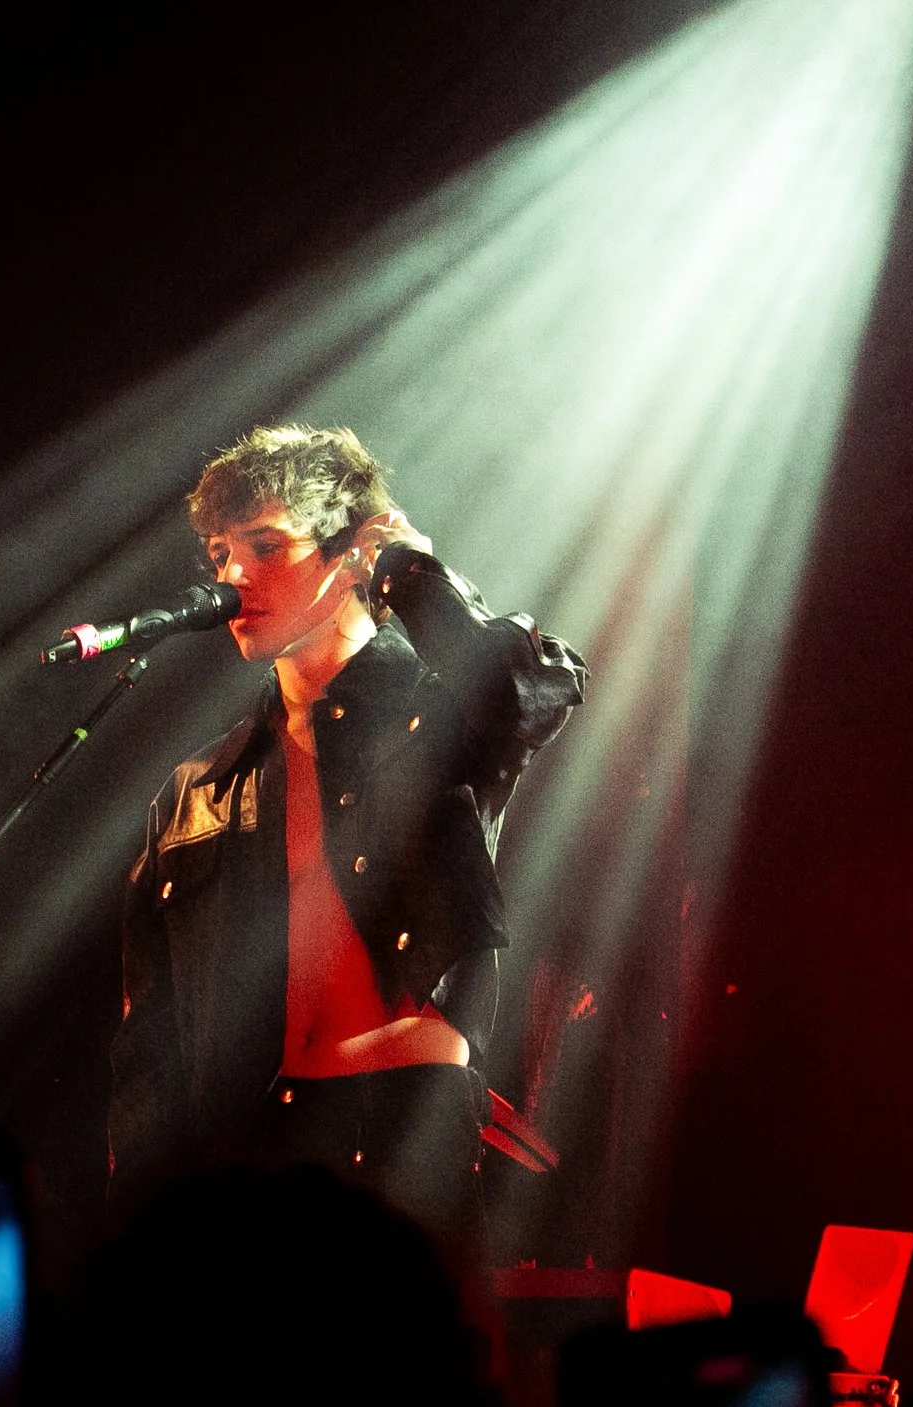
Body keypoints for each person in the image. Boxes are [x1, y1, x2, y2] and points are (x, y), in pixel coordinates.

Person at [108, 425, 588, 1256]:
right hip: (249, 1155)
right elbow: (147, 1040)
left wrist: (408, 569)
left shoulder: (440, 712)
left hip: (404, 1131)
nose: (231, 574)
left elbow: (531, 687)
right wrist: (143, 1225)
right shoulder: (197, 789)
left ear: (350, 550)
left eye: (264, 544)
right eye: (220, 550)